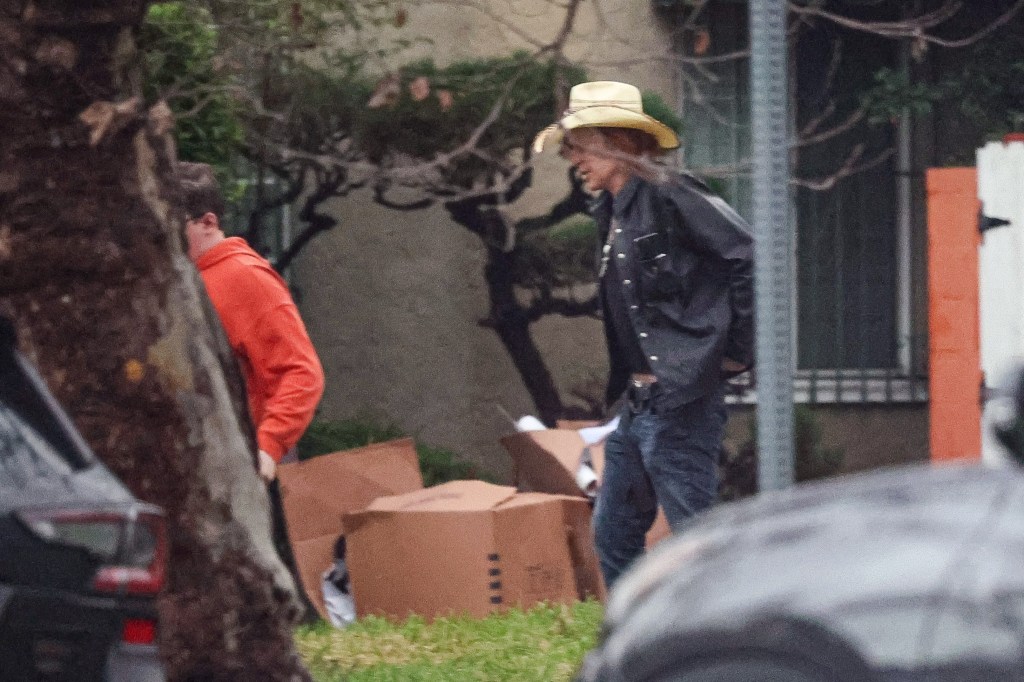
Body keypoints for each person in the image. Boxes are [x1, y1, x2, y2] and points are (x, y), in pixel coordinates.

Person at [533, 81, 755, 588]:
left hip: (681, 402)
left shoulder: (671, 193)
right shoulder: (611, 210)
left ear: (623, 141)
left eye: (582, 144)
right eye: (570, 147)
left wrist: (737, 354)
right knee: (612, 536)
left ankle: (719, 644)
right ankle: (637, 645)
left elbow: (745, 253)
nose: (573, 158)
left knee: (695, 540)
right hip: (638, 405)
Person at [179, 164, 325, 482]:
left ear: (208, 222)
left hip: (248, 466)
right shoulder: (183, 281)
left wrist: (267, 448)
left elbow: (301, 373)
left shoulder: (246, 278)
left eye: (174, 227)